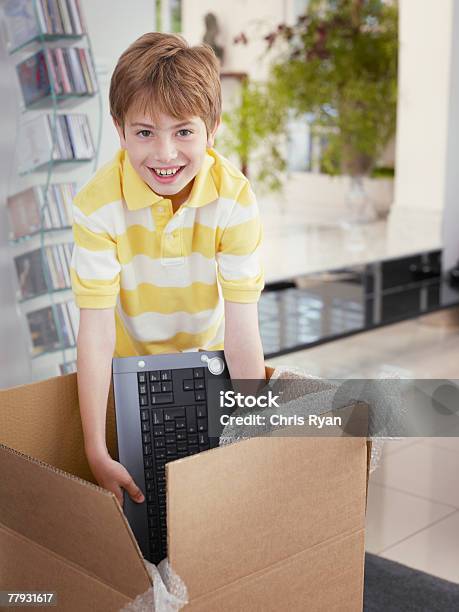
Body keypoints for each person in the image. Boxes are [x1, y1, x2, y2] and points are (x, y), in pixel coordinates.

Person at [71, 32, 265, 507]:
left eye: (183, 131)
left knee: (210, 507)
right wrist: (94, 448)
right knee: (143, 509)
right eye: (144, 133)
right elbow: (94, 332)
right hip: (124, 378)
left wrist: (255, 428)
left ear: (211, 128)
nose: (164, 154)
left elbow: (243, 329)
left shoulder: (235, 200)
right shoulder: (96, 207)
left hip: (207, 372)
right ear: (119, 129)